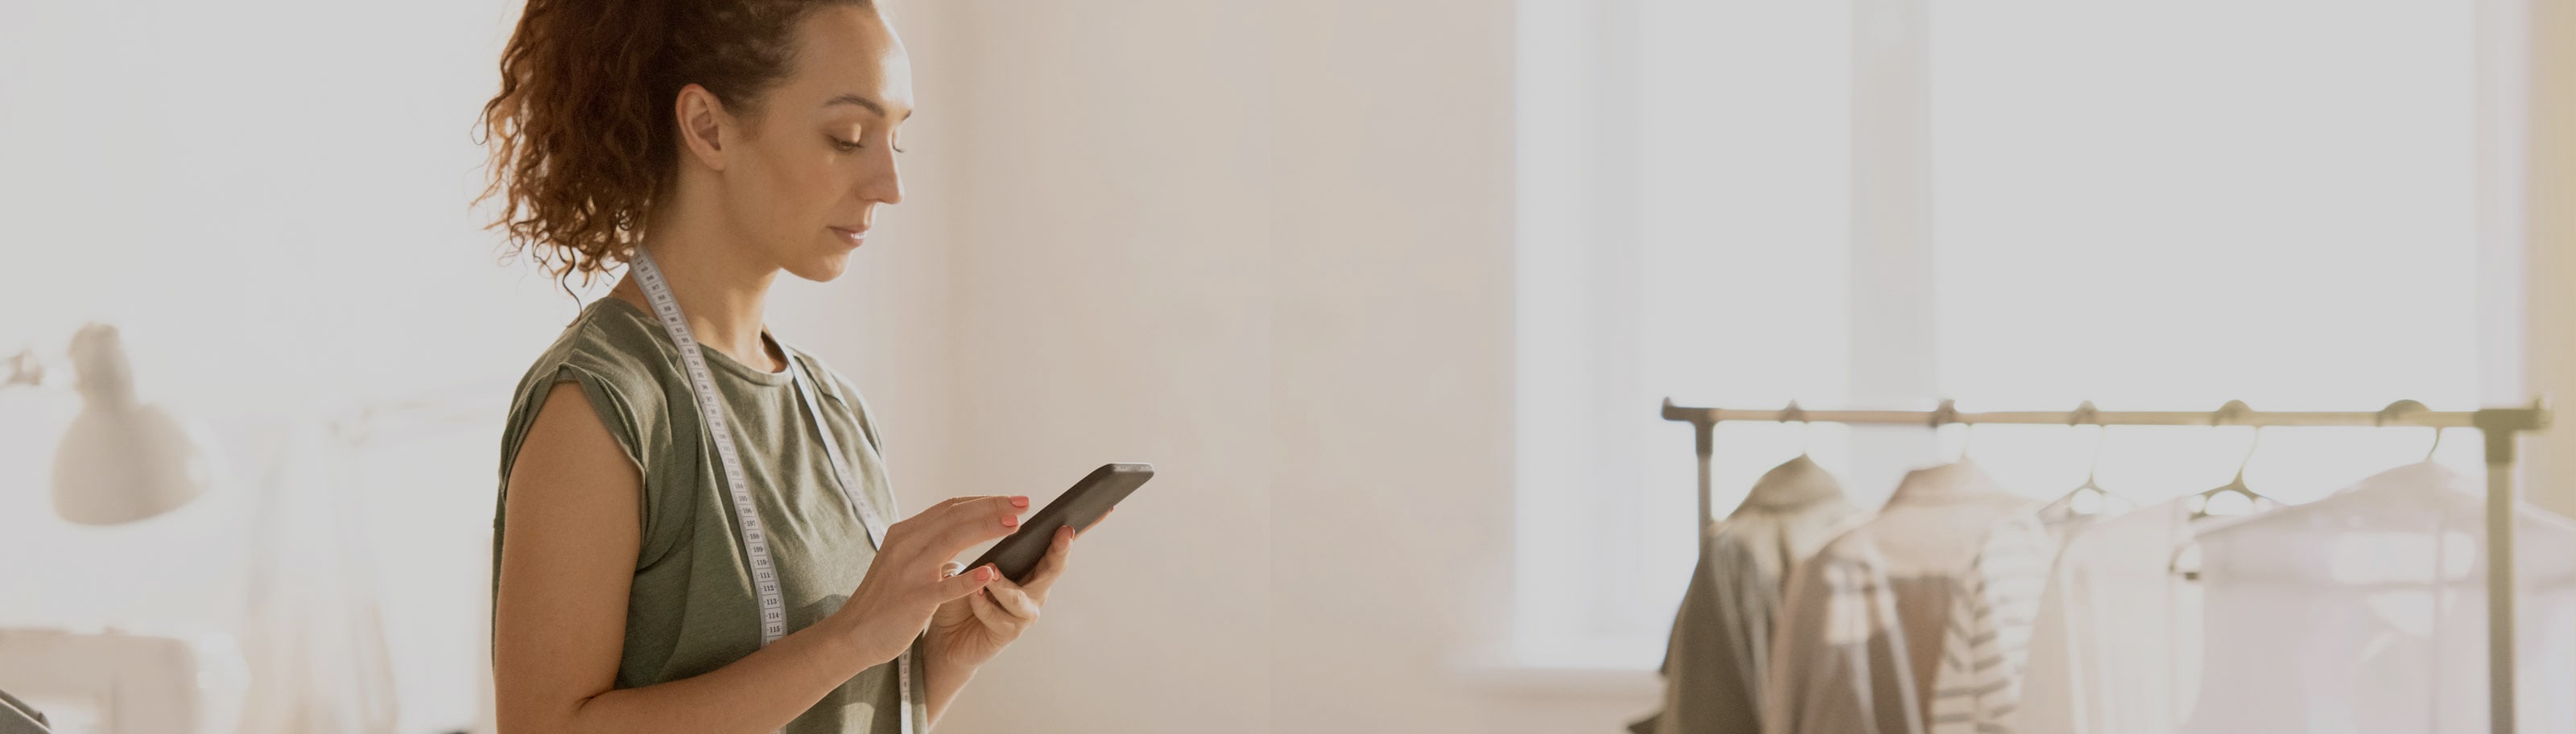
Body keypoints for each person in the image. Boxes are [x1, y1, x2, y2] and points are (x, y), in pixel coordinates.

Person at [478, 2, 1094, 732]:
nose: (889, 184)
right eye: (848, 137)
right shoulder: (601, 404)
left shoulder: (832, 409)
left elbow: (821, 709)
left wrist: (944, 659)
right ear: (708, 128)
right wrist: (848, 639)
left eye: (896, 140)